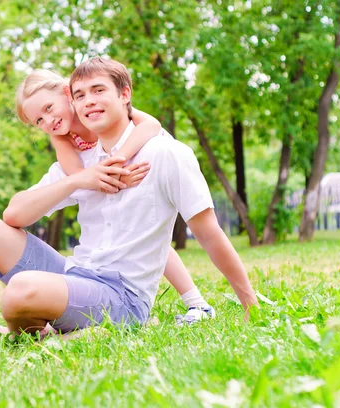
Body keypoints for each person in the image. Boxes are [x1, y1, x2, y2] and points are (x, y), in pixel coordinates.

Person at [0, 57, 257, 347]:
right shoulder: (78, 157)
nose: (87, 102)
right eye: (82, 94)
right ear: (73, 97)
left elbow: (207, 231)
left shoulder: (164, 153)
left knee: (19, 292)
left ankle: (101, 329)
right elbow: (14, 214)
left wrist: (247, 303)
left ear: (124, 94)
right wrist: (80, 179)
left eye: (98, 91)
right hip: (79, 275)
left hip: (122, 297)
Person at [15, 69, 214, 324]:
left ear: (67, 95)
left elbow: (152, 125)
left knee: (149, 231)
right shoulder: (61, 138)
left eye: (49, 109)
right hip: (110, 176)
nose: (48, 120)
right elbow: (79, 176)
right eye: (38, 121)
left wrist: (118, 161)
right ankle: (194, 301)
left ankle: (195, 300)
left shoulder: (98, 107)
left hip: (136, 157)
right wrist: (114, 177)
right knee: (133, 233)